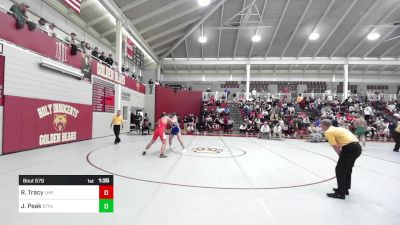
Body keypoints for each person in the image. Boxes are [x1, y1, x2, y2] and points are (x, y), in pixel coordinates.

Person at [321, 119, 361, 200]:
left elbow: (335, 146)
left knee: (340, 169)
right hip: (357, 147)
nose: (320, 127)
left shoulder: (328, 131)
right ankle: (345, 189)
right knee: (347, 169)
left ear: (325, 125)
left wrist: (340, 155)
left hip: (349, 148)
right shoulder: (338, 128)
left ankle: (340, 193)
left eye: (321, 125)